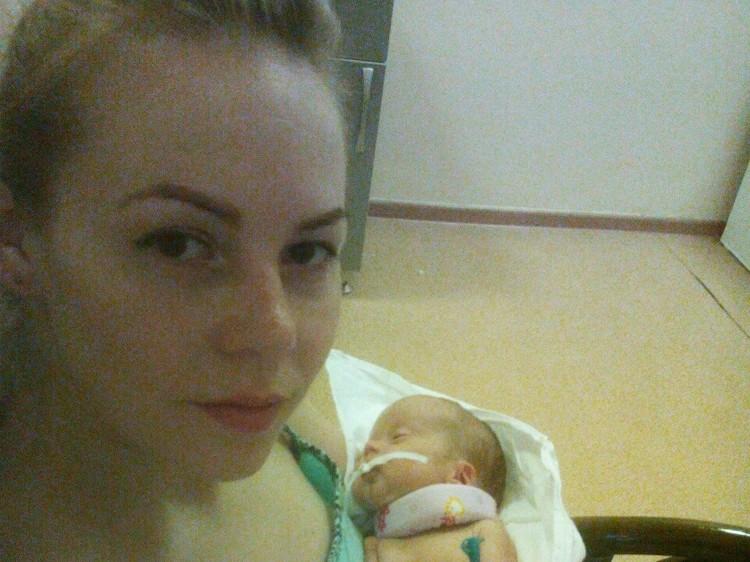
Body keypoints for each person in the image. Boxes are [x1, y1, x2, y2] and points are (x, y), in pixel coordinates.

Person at [0, 1, 361, 560]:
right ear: (17, 239)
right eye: (179, 245)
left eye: (308, 251)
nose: (275, 333)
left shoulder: (292, 421)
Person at [351, 395, 518, 562]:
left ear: (459, 477)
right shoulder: (373, 544)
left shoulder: (483, 530)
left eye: (397, 437)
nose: (368, 447)